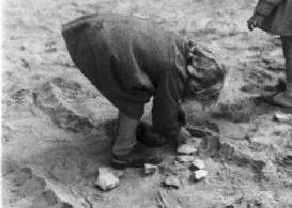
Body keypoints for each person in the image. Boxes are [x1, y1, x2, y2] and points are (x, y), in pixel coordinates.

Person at [61, 13, 226, 168]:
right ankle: (122, 153)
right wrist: (175, 132)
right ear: (195, 83)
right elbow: (164, 111)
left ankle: (127, 130)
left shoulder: (179, 47)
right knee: (132, 98)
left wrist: (178, 117)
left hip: (95, 28)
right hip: (103, 46)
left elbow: (171, 97)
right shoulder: (174, 70)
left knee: (133, 84)